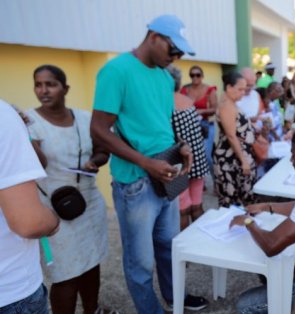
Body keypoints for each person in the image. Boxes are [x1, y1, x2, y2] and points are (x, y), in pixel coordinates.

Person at [90, 14, 208, 313]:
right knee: (140, 261)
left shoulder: (164, 77)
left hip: (166, 174)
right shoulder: (116, 70)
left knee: (169, 247)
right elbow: (99, 130)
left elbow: (160, 125)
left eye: (181, 52)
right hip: (135, 182)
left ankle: (174, 297)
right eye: (173, 49)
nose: (177, 57)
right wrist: (146, 162)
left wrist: (181, 147)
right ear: (154, 36)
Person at [26, 65, 111, 314]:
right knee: (65, 274)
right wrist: (24, 137)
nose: (43, 90)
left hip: (89, 202)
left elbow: (103, 150)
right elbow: (38, 164)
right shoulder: (30, 122)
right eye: (38, 84)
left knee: (91, 263)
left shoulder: (85, 119)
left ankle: (92, 310)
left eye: (50, 84)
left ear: (66, 88)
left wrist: (96, 161)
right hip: (54, 209)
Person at [231, 108, 295, 314]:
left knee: (243, 306)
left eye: (294, 155)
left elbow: (271, 245)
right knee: (268, 269)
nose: (291, 161)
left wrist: (249, 223)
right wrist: (266, 207)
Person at [0, 99, 60, 314]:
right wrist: (53, 221)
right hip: (9, 292)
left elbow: (41, 161)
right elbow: (30, 223)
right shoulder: (3, 117)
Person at [168, 65, 208, 230]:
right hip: (197, 158)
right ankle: (201, 242)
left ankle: (184, 245)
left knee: (183, 209)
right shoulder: (189, 102)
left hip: (179, 161)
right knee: (197, 205)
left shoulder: (165, 104)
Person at [213, 71, 256, 207]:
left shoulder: (231, 103)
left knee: (241, 199)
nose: (243, 92)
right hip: (231, 159)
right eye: (240, 89)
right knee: (232, 201)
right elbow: (231, 136)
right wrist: (244, 161)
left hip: (236, 157)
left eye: (245, 89)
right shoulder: (227, 106)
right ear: (229, 87)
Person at [180, 65, 218, 181]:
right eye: (192, 75)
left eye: (198, 75)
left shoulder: (209, 90)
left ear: (202, 76)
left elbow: (215, 109)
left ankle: (216, 181)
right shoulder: (185, 90)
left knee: (206, 155)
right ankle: (200, 181)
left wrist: (201, 111)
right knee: (193, 155)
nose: (195, 77)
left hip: (206, 125)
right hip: (190, 126)